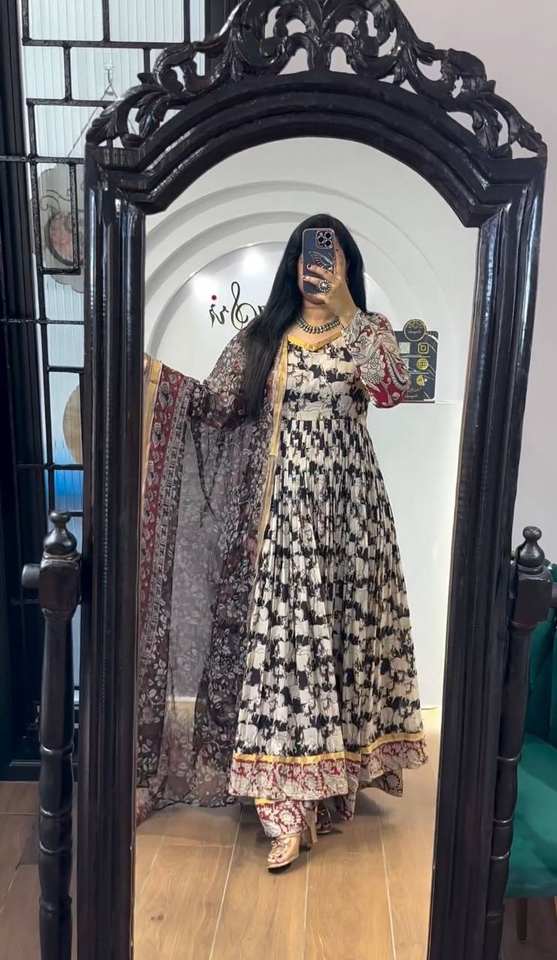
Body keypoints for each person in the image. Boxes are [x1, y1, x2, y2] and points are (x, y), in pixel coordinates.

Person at [137, 214, 427, 872]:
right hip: (280, 521)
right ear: (291, 266)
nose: (313, 265)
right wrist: (153, 380)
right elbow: (213, 406)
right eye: (304, 254)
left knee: (339, 649)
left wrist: (349, 309)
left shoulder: (369, 333)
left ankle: (329, 788)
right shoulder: (263, 337)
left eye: (328, 255)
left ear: (346, 265)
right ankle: (284, 809)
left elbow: (392, 389)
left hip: (351, 523)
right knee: (285, 658)